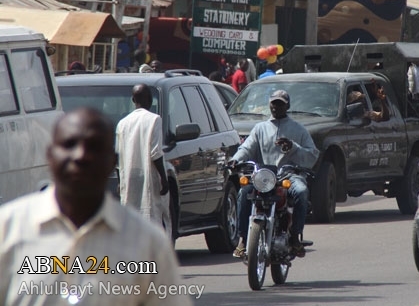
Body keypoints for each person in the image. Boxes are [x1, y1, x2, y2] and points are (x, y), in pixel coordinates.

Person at [0, 108, 191, 305]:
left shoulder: (148, 242)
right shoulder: (8, 230)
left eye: (94, 147)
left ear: (113, 162)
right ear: (50, 155)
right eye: (69, 144)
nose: (81, 155)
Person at [231, 90, 319, 258]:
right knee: (244, 192)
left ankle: (294, 237)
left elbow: (312, 155)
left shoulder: (298, 130)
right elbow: (246, 148)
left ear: (287, 106)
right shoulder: (260, 128)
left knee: (301, 192)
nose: (276, 107)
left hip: (289, 175)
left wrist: (292, 147)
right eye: (273, 103)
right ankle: (243, 239)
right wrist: (235, 160)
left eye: (280, 103)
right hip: (264, 176)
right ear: (269, 105)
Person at [115, 84, 169, 231]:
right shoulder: (154, 120)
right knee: (152, 216)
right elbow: (155, 153)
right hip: (149, 179)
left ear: (133, 100)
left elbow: (118, 158)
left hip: (129, 180)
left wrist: (121, 182)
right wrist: (164, 179)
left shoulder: (122, 123)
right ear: (150, 99)